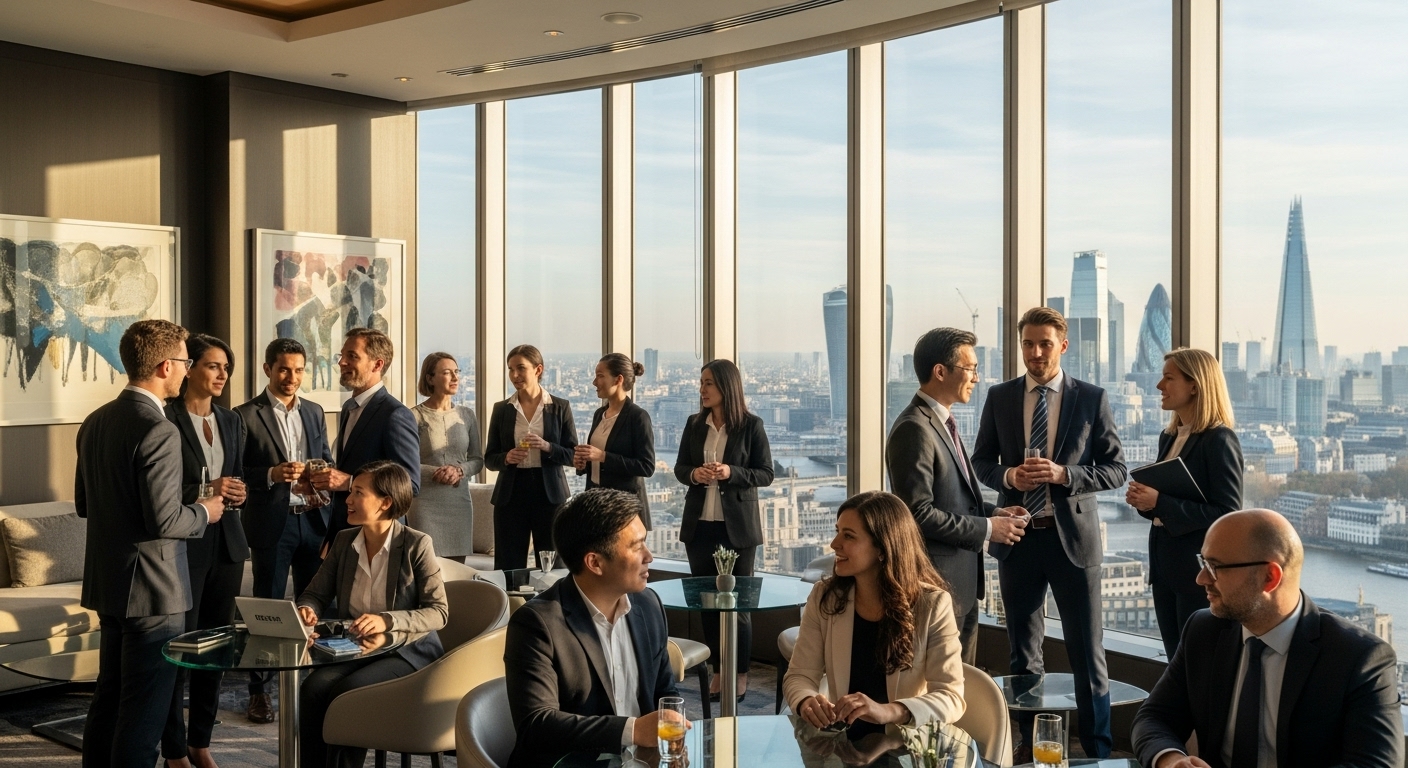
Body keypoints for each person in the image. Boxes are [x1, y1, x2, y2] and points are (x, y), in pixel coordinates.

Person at [970, 306, 1127, 759]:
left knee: (1087, 652)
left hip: (1074, 543)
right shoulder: (1000, 397)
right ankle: (1026, 747)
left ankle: (1096, 750)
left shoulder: (1091, 398)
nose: (1035, 353)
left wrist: (1064, 475)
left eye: (1044, 343)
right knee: (1022, 652)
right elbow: (981, 462)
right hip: (1018, 537)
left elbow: (1116, 469)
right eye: (1027, 344)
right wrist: (1008, 478)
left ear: (1063, 344)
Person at [1131, 509, 1403, 768]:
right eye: (1203, 562)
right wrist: (1170, 759)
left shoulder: (1360, 657)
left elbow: (1375, 763)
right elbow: (1155, 717)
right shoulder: (1203, 631)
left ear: (1269, 577)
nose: (1201, 578)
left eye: (1215, 567)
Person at [76, 319, 224, 768]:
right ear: (164, 366)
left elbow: (85, 504)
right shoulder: (159, 430)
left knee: (110, 701)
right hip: (155, 592)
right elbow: (165, 519)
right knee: (143, 716)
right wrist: (206, 511)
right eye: (183, 361)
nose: (186, 370)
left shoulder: (95, 421)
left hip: (111, 584)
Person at [503, 488, 681, 768]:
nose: (649, 556)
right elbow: (537, 725)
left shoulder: (648, 605)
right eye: (637, 546)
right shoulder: (538, 623)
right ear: (595, 562)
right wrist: (631, 730)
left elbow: (665, 693)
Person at [886, 328, 1028, 664]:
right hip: (935, 584)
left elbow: (952, 499)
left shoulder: (942, 422)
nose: (977, 378)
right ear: (940, 371)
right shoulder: (914, 428)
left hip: (959, 585)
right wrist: (988, 529)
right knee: (938, 693)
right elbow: (917, 514)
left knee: (958, 690)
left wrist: (996, 512)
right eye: (971, 369)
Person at [296, 461, 449, 768]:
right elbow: (315, 594)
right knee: (312, 688)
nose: (348, 500)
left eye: (357, 493)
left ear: (385, 502)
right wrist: (308, 610)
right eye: (350, 492)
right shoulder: (343, 541)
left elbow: (439, 612)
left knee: (348, 693)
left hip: (407, 652)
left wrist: (387, 620)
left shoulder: (417, 544)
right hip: (355, 647)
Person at [784, 491, 966, 743]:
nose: (834, 544)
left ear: (883, 547)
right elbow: (799, 675)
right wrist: (806, 700)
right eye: (837, 531)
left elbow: (951, 697)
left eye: (848, 536)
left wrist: (888, 711)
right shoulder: (825, 596)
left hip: (904, 746)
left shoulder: (932, 605)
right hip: (841, 745)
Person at [235, 338, 335, 723]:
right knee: (268, 610)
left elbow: (325, 457)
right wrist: (272, 474)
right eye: (283, 369)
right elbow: (237, 472)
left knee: (314, 607)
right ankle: (259, 692)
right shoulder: (244, 415)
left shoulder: (313, 411)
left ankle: (310, 687)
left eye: (298, 370)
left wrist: (321, 472)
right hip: (271, 525)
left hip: (313, 522)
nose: (291, 377)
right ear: (267, 370)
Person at [161, 334, 249, 768]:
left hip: (228, 544)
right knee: (181, 649)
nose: (222, 375)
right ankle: (174, 749)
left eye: (226, 368)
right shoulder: (166, 419)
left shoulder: (231, 421)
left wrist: (237, 491)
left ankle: (201, 744)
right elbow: (160, 491)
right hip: (186, 546)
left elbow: (235, 473)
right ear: (189, 367)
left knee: (217, 648)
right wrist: (206, 491)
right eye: (214, 366)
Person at [1127, 347, 1244, 658]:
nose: (1158, 387)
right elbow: (1165, 503)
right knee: (1176, 661)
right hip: (1164, 568)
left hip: (1198, 576)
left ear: (1195, 385)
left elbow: (1228, 513)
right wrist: (1145, 502)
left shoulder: (1219, 440)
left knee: (1197, 662)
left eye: (1168, 378)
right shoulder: (1170, 437)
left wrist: (1160, 501)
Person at [673, 358, 774, 700]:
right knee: (707, 605)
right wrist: (694, 474)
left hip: (737, 531)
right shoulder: (694, 424)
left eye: (708, 384)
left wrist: (731, 472)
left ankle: (739, 674)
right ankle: (719, 671)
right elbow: (680, 467)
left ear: (726, 388)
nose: (701, 390)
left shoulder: (751, 426)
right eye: (701, 383)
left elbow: (766, 473)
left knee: (738, 607)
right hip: (700, 526)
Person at [310, 327, 421, 547]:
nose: (342, 362)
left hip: (377, 536)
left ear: (377, 364)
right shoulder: (348, 408)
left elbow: (410, 484)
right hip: (344, 529)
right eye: (341, 355)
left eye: (352, 356)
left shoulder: (395, 415)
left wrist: (350, 482)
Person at [484, 344, 577, 570]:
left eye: (520, 368)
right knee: (508, 563)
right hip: (511, 493)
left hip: (550, 494)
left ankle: (552, 605)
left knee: (553, 563)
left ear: (538, 369)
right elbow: (489, 458)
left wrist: (547, 447)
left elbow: (573, 455)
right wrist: (507, 457)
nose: (514, 375)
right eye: (510, 369)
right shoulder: (501, 409)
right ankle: (510, 604)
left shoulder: (559, 407)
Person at [409, 352, 484, 563]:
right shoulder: (414, 416)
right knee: (426, 569)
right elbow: (406, 462)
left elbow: (478, 460)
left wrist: (459, 470)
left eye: (456, 372)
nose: (455, 377)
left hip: (458, 503)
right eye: (447, 372)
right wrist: (437, 472)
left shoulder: (466, 415)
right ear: (430, 378)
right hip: (425, 503)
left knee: (457, 574)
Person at [574, 353, 656, 529]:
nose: (594, 382)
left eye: (600, 376)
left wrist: (603, 456)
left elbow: (646, 466)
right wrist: (583, 464)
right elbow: (597, 463)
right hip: (595, 502)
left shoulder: (638, 417)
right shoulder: (599, 414)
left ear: (618, 379)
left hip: (622, 508)